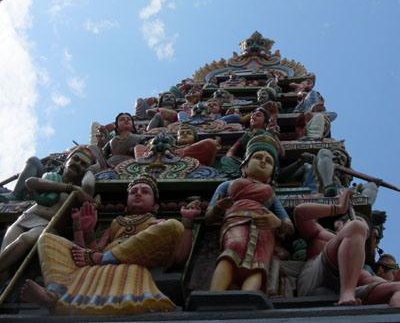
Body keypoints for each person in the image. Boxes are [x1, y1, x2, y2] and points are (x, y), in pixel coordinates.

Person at [21, 174, 201, 315]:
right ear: (126, 202)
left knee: (173, 225)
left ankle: (105, 259)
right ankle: (53, 294)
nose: (138, 193)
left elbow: (178, 257)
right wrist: (84, 229)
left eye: (145, 192)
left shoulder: (157, 221)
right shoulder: (116, 223)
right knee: (47, 238)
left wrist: (187, 222)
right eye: (133, 191)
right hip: (100, 261)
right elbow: (88, 253)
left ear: (155, 206)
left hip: (133, 261)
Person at [205, 134, 293, 292]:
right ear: (244, 167)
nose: (263, 161)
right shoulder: (227, 185)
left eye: (269, 161)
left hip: (264, 228)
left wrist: (277, 222)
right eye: (258, 157)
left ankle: (249, 296)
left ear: (271, 174)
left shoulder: (271, 193)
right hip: (235, 220)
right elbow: (208, 217)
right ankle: (215, 293)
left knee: (259, 263)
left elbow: (288, 225)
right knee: (233, 248)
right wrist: (219, 207)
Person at [294, 189, 400, 307]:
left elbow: (375, 282)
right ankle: (347, 293)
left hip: (347, 289)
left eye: (366, 232)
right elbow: (299, 212)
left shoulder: (356, 266)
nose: (364, 232)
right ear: (338, 224)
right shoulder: (320, 233)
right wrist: (338, 208)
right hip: (314, 280)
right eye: (353, 219)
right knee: (356, 227)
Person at [0, 146, 95, 276]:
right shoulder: (53, 178)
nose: (78, 164)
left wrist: (91, 170)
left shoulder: (80, 191)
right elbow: (31, 182)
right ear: (67, 160)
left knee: (26, 239)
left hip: (47, 224)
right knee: (4, 255)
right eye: (75, 159)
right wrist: (68, 187)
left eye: (83, 164)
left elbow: (89, 188)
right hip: (27, 217)